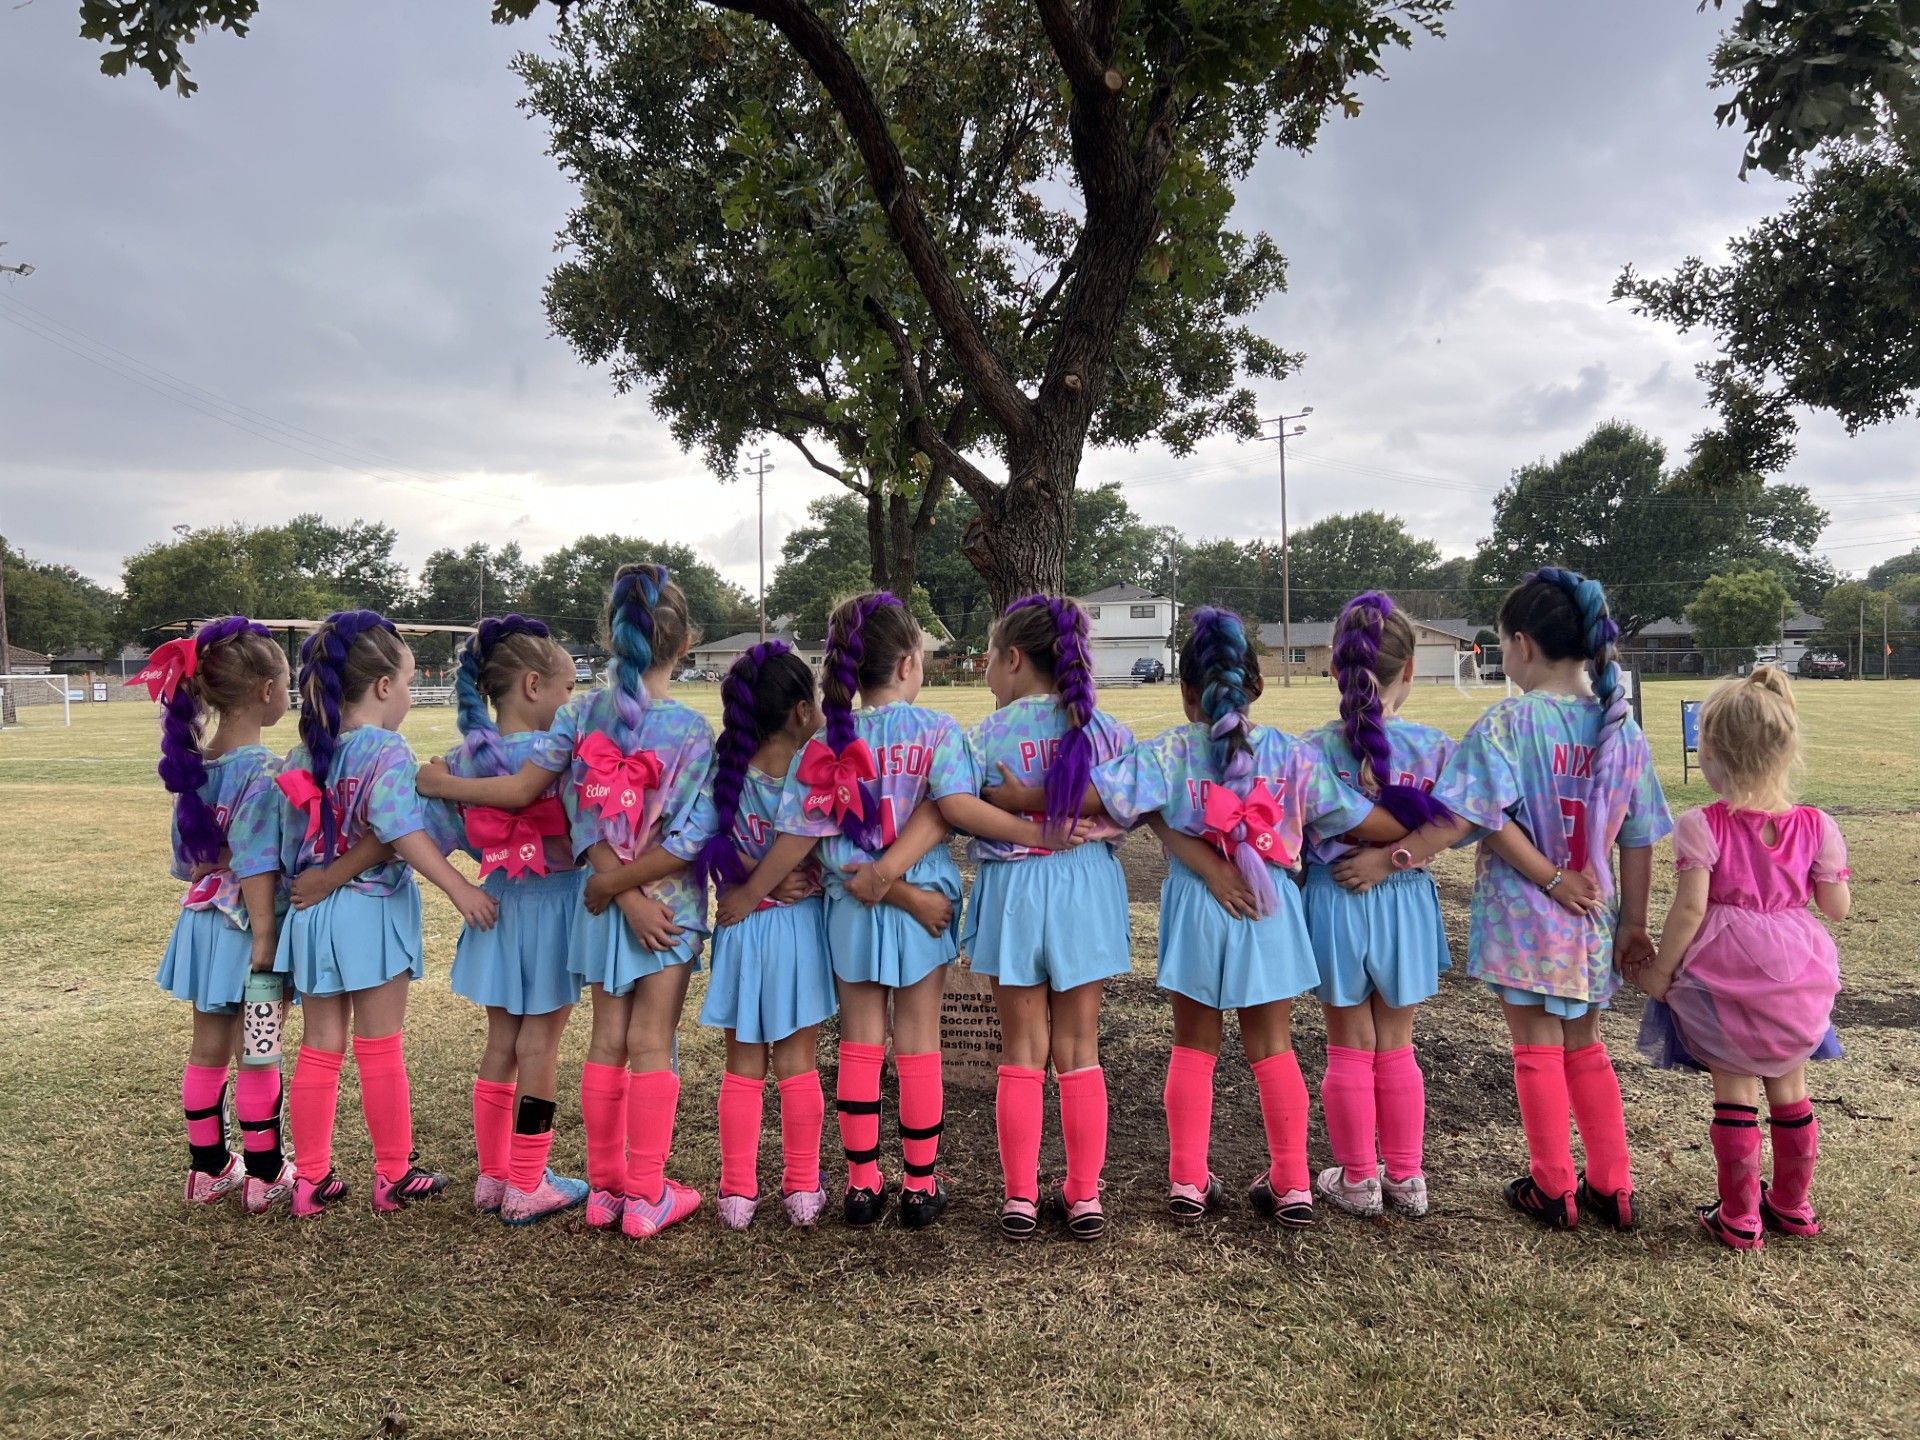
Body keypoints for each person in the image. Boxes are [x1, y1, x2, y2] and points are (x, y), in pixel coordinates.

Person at [997, 607, 1405, 1227]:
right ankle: (1293, 1182)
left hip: (1196, 904)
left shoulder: (1170, 752)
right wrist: (1419, 827)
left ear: (1189, 695)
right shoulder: (1293, 758)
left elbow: (1101, 794)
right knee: (1273, 1048)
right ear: (1257, 686)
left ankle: (1188, 1180)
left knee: (1193, 1047)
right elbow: (1360, 820)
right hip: (1268, 906)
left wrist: (1024, 798)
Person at [750, 591, 1061, 1230]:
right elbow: (951, 809)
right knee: (919, 1045)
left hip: (852, 915)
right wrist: (907, 885)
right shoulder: (940, 731)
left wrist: (753, 890)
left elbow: (809, 838)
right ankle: (920, 1186)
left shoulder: (823, 746)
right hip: (927, 913)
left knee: (861, 1044)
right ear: (906, 665)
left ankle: (863, 1186)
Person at [421, 564, 713, 1240]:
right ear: (684, 642)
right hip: (665, 910)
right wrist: (634, 889)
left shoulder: (582, 712)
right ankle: (645, 1194)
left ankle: (606, 1188)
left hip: (598, 903)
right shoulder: (693, 731)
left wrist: (612, 883)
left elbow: (565, 807)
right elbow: (694, 834)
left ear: (612, 637)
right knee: (651, 1042)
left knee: (608, 1039)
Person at [1416, 568, 1672, 1231]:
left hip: (1523, 920)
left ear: (1524, 644)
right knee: (1586, 1047)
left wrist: (1549, 878)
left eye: (1502, 644)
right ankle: (1613, 1186)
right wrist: (1633, 925)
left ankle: (1553, 1186)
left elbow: (1480, 813)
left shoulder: (1509, 722)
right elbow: (1640, 839)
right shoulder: (1622, 730)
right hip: (1593, 924)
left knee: (1534, 1048)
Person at [276, 610, 499, 1218]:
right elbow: (399, 829)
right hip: (367, 915)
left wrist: (320, 880)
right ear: (382, 688)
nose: (406, 694)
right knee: (379, 1047)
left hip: (311, 918)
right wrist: (460, 888)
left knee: (320, 1047)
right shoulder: (387, 749)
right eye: (404, 682)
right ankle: (393, 1175)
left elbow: (293, 845)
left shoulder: (304, 751)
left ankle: (310, 1181)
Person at [1628, 667, 1850, 1249]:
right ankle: (1793, 1205)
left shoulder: (1701, 825)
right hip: (1797, 973)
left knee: (1735, 1091)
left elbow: (1689, 911)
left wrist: (1660, 973)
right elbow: (1837, 907)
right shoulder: (1817, 825)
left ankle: (1740, 1215)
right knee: (1789, 1086)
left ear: (1714, 753)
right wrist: (1824, 872)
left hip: (1725, 975)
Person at [961, 596, 1132, 1241]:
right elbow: (1136, 808)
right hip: (1085, 887)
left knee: (1021, 1049)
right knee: (1080, 1046)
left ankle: (1020, 1197)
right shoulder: (1108, 733)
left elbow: (952, 805)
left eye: (988, 660)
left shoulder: (981, 737)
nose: (985, 674)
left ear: (1013, 659)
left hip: (1012, 890)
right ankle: (1084, 1194)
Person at [1298, 592, 1469, 1220]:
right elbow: (1464, 821)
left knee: (1347, 1045)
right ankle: (1406, 1177)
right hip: (1406, 905)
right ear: (1411, 670)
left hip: (1336, 895)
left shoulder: (1310, 750)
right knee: (1398, 1046)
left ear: (1335, 670)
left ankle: (1359, 1180)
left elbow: (1301, 826)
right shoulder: (1439, 748)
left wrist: (1372, 849)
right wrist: (1404, 853)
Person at [138, 618, 299, 1212]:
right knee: (259, 1049)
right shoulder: (265, 770)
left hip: (203, 927)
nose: (291, 693)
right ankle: (265, 1174)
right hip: (249, 933)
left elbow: (188, 862)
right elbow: (258, 863)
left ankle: (208, 1170)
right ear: (264, 690)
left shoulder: (195, 769)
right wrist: (266, 937)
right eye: (288, 682)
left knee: (207, 1048)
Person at [434, 614, 588, 1226]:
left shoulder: (463, 761)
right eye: (568, 687)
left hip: (496, 903)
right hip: (554, 905)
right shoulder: (563, 756)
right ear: (532, 685)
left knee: (502, 1043)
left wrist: (469, 878)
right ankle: (528, 1181)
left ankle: (493, 1175)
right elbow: (591, 832)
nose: (571, 700)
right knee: (541, 1044)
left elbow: (441, 834)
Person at [696, 642, 837, 1229]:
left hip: (740, 930)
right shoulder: (813, 766)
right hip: (795, 930)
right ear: (801, 710)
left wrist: (745, 891)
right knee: (799, 1064)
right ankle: (803, 1188)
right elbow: (809, 844)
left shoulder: (725, 769)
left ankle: (736, 1193)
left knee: (742, 1065)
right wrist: (771, 889)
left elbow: (701, 842)